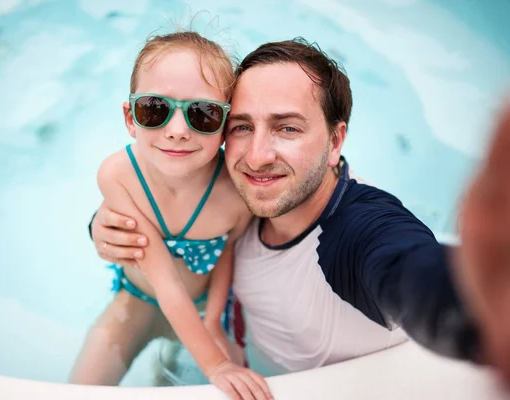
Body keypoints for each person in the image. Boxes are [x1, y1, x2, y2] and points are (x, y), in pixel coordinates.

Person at [90, 37, 510, 384]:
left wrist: (487, 306)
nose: (256, 156)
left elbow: (412, 271)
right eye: (242, 126)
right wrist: (101, 224)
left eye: (287, 127)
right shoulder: (249, 195)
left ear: (335, 141)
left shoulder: (356, 232)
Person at [70, 31, 273, 400]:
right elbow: (163, 283)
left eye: (203, 114)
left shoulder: (234, 191)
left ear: (226, 127)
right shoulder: (119, 176)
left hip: (204, 308)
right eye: (154, 109)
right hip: (137, 300)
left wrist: (212, 321)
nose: (177, 131)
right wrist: (216, 365)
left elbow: (228, 252)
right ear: (130, 118)